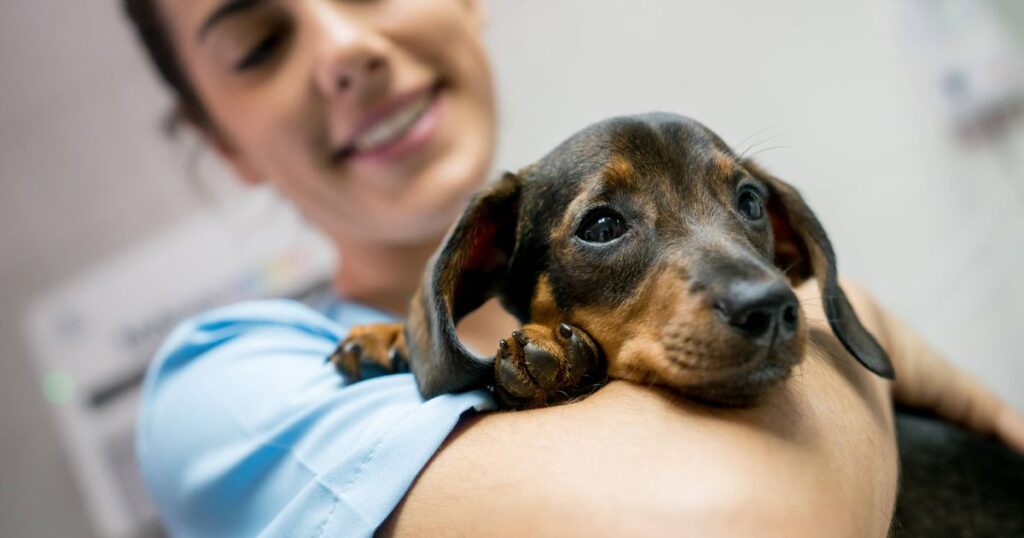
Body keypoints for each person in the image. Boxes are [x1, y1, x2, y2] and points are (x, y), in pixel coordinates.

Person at [125, 1, 1024, 536]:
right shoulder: (230, 383)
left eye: (745, 204)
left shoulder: (561, 341)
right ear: (217, 140)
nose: (345, 48)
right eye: (257, 44)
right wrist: (843, 322)